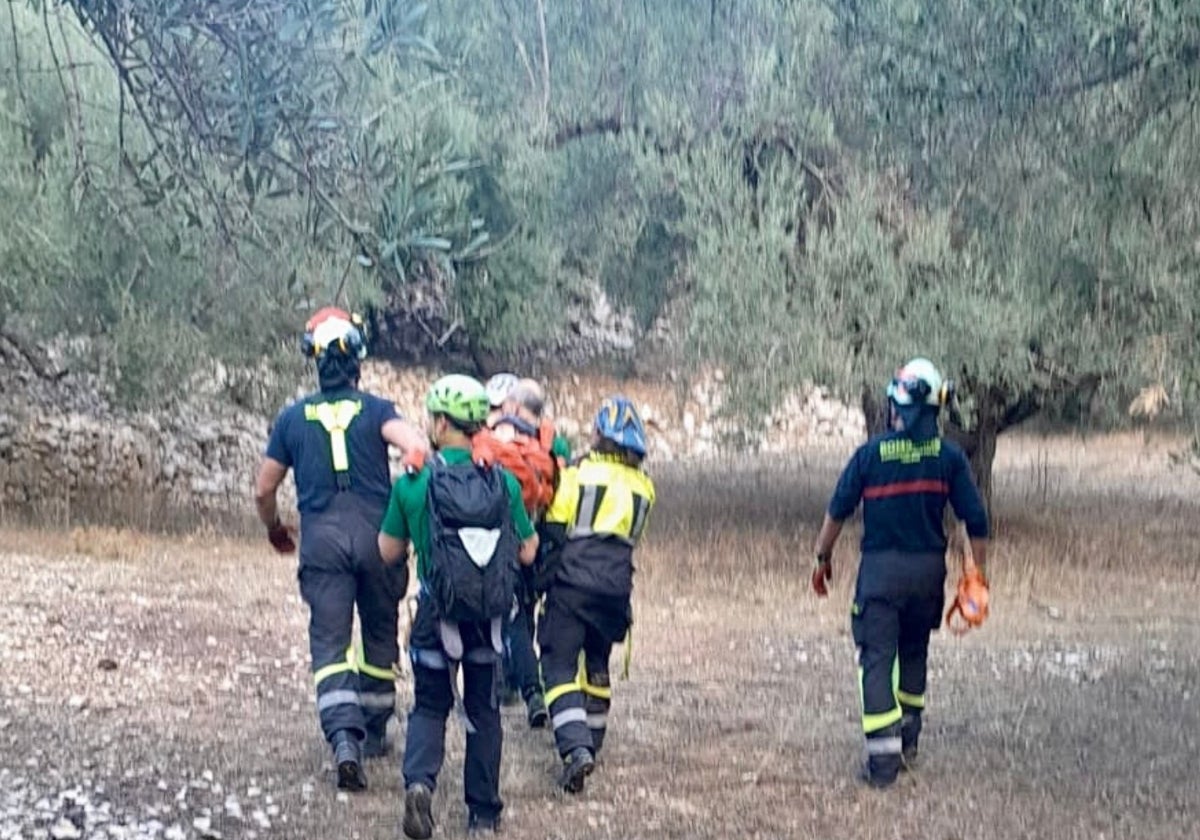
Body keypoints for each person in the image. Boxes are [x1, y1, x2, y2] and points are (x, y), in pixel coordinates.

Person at [253, 306, 428, 791]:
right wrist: (412, 479)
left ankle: (344, 740)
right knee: (378, 635)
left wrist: (275, 529)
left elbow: (263, 490)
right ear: (357, 361)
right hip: (378, 539)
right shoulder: (377, 410)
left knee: (330, 646)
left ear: (314, 361)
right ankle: (373, 732)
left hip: (323, 543)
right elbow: (414, 446)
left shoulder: (292, 418)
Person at [811, 357, 990, 788]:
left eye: (895, 403)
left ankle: (883, 764)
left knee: (876, 659)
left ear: (904, 408)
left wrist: (822, 557)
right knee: (913, 653)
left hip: (880, 575)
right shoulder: (948, 458)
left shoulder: (871, 455)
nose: (891, 411)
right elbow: (976, 520)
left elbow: (838, 510)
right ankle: (908, 744)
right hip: (927, 576)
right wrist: (976, 572)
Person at [378, 374, 539, 838]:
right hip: (488, 620)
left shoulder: (413, 483)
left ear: (444, 422)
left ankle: (420, 786)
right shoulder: (503, 482)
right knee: (484, 711)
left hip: (436, 614)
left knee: (430, 706)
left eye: (433, 417)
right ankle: (483, 816)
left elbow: (387, 550)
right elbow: (527, 551)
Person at [537, 395, 656, 794]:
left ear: (601, 435)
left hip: (572, 585)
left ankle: (574, 748)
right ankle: (594, 741)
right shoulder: (645, 489)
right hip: (616, 590)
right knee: (598, 666)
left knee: (558, 664)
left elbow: (554, 529)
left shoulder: (578, 475)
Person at [475, 378, 560, 729]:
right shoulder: (543, 441)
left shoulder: (492, 439)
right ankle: (513, 683)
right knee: (521, 614)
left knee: (506, 619)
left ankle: (528, 690)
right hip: (534, 538)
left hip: (500, 540)